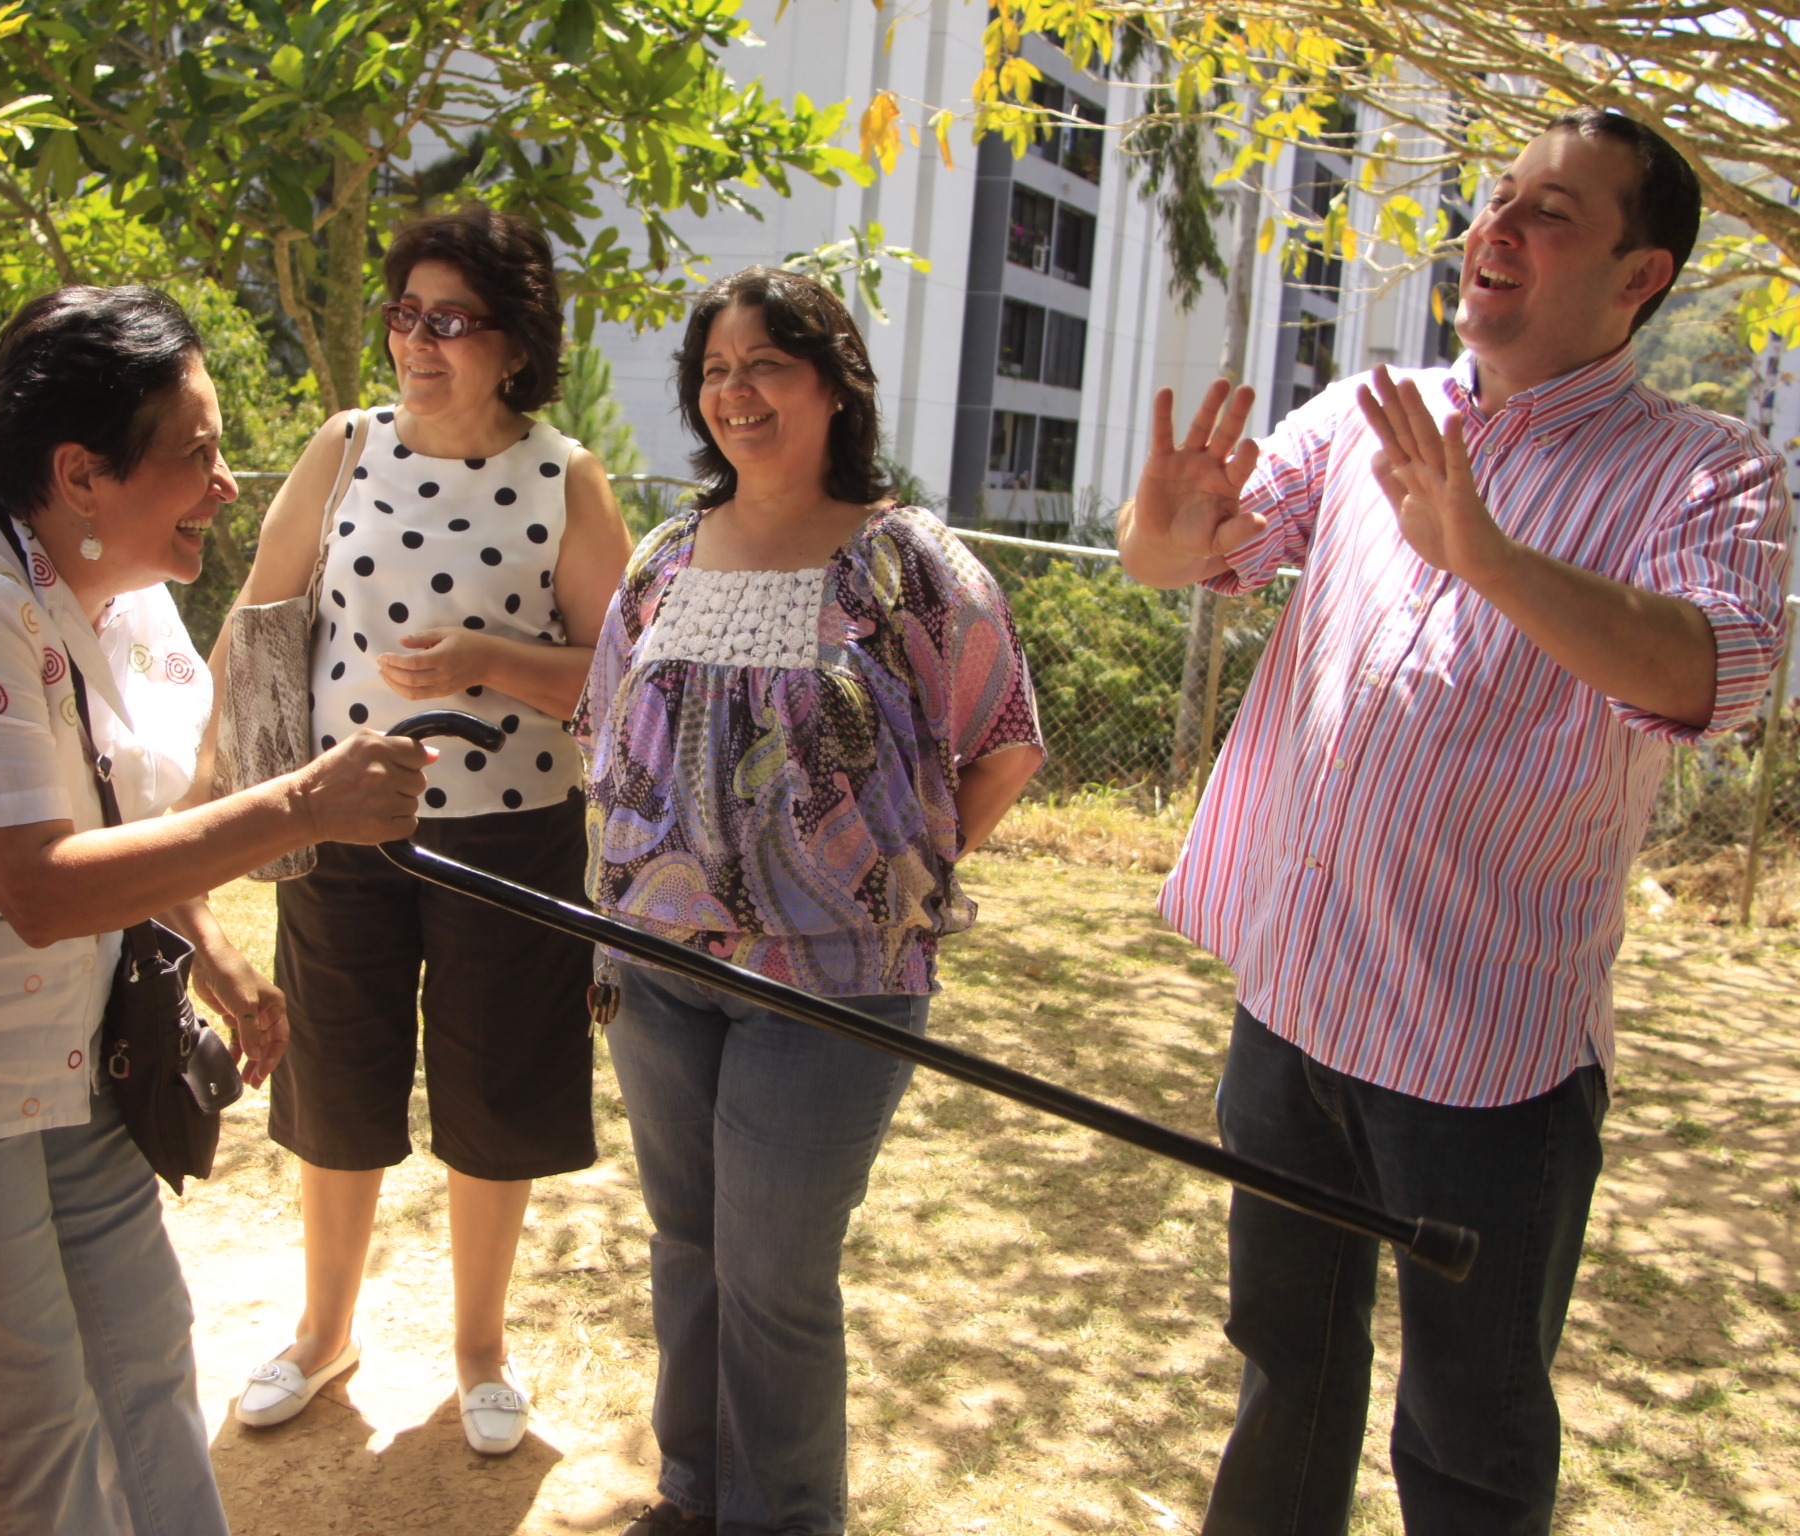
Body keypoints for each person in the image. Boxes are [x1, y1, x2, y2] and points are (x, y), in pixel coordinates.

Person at [1116, 112, 1793, 1536]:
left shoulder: (1705, 470)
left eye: (1549, 212)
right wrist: (1163, 536)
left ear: (1637, 275)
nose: (1495, 230)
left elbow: (1708, 673)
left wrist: (1484, 553)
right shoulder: (1373, 411)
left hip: (1484, 1055)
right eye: (1495, 201)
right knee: (1282, 1375)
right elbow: (1192, 554)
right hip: (1290, 1013)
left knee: (1472, 1441)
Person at [0, 284, 432, 1534]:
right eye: (193, 454)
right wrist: (305, 804)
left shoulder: (128, 592)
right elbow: (39, 886)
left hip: (86, 1056)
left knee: (148, 1368)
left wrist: (204, 945)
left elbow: (134, 811)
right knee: (30, 1423)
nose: (224, 483)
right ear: (80, 474)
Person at [576, 267, 1044, 1536]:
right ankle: (692, 1493)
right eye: (715, 371)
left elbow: (1002, 739)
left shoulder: (907, 562)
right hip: (656, 969)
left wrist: (889, 880)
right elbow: (608, 730)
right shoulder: (667, 555)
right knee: (688, 1247)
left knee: (774, 1274)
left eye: (766, 365)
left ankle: (780, 1521)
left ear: (836, 386)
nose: (735, 393)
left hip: (831, 990)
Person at [210, 208, 630, 1455]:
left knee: (495, 1086)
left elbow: (617, 676)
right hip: (345, 824)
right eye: (404, 314)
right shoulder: (343, 447)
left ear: (514, 342)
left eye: (449, 320)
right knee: (336, 1076)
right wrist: (237, 801)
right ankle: (322, 1331)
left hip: (513, 832)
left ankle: (479, 1353)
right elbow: (259, 618)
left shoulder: (566, 476)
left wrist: (494, 660)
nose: (417, 342)